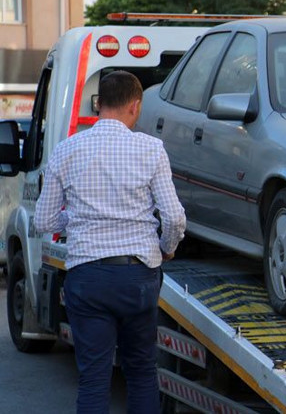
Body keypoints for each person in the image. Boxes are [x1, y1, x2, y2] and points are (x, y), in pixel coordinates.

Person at [34, 71, 186, 414]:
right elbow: (175, 217)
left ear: (98, 104)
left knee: (93, 379)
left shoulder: (66, 149)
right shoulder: (151, 149)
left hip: (87, 279)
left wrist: (75, 220)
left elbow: (42, 221)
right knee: (143, 372)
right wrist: (167, 247)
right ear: (136, 107)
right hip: (138, 277)